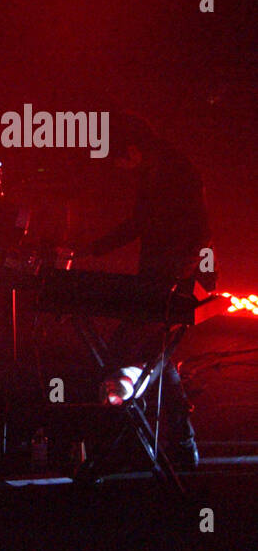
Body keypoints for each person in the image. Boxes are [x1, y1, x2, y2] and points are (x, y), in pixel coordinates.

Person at [78, 114, 211, 469]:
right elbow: (139, 222)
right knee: (158, 358)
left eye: (119, 159)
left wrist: (191, 269)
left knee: (134, 350)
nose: (118, 167)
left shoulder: (179, 171)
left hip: (174, 275)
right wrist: (92, 249)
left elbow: (201, 228)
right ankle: (180, 443)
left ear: (133, 150)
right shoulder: (151, 172)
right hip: (157, 273)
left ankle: (123, 442)